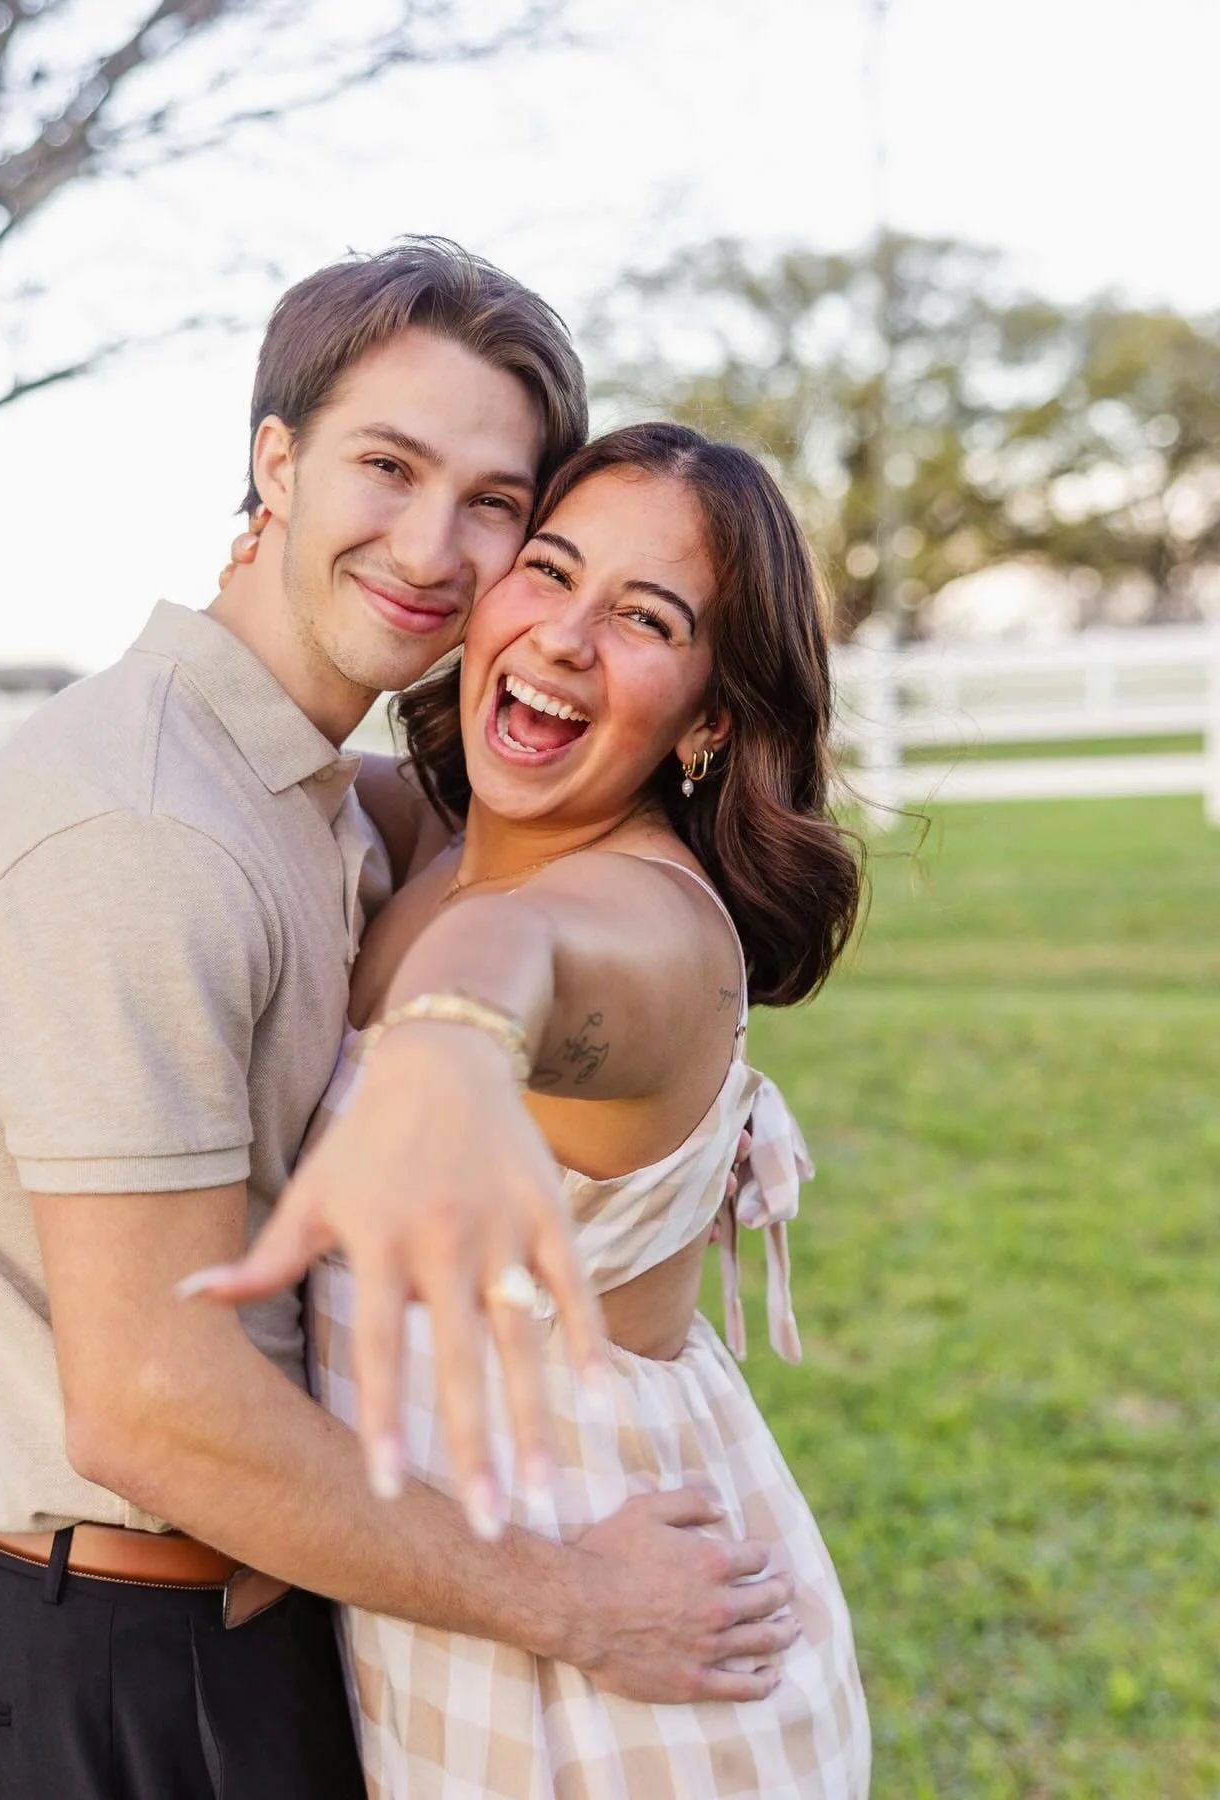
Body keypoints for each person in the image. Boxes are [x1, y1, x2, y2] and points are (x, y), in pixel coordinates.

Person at [0, 242, 796, 1799]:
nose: (436, 546)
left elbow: (548, 930)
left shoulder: (336, 803)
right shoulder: (145, 833)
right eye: (387, 464)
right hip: (134, 1661)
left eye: (497, 504)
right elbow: (154, 1404)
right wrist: (578, 1599)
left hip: (321, 1622)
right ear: (276, 459)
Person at [215, 420, 871, 1796]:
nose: (569, 636)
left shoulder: (650, 930)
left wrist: (449, 1046)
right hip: (480, 1627)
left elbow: (519, 961)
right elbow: (269, 745)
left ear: (708, 718)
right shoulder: (433, 850)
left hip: (635, 1678)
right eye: (550, 572)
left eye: (645, 617)